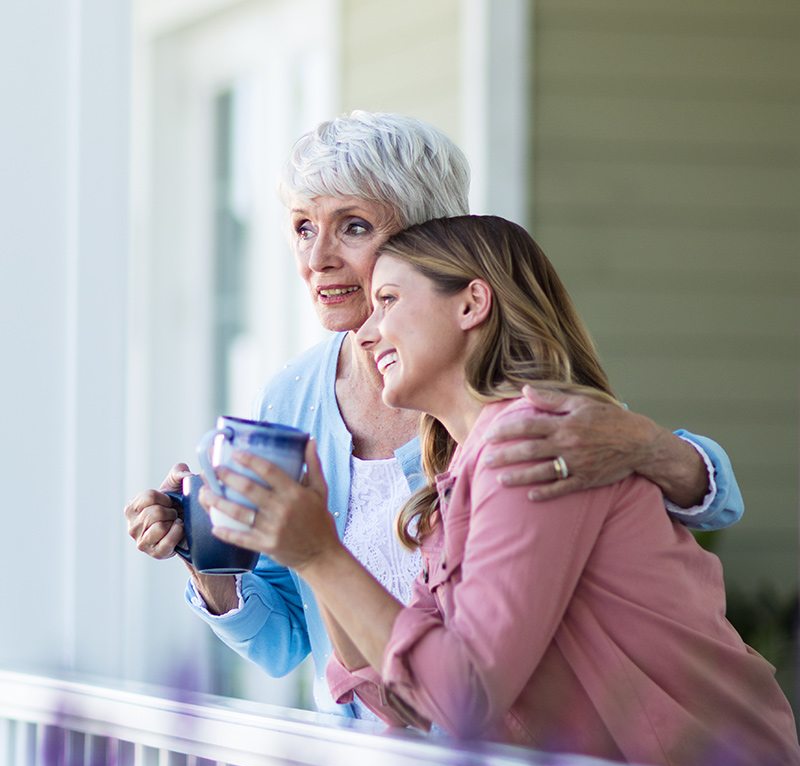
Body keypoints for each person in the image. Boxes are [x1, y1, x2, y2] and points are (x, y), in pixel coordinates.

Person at [124, 111, 743, 717]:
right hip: (382, 746)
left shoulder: (501, 403)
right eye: (303, 228)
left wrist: (648, 444)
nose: (318, 260)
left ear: (427, 238)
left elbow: (692, 502)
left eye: (354, 226)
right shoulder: (290, 399)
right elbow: (291, 638)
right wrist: (211, 560)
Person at [206, 215, 800, 766]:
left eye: (387, 300)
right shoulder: (455, 482)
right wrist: (317, 550)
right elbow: (401, 698)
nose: (365, 332)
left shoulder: (537, 441)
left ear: (471, 304)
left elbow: (462, 696)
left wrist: (319, 556)